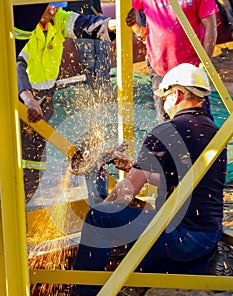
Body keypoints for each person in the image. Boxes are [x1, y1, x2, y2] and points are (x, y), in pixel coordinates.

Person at [72, 63, 227, 296]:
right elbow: (189, 180)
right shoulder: (216, 132)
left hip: (179, 240)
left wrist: (107, 208)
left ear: (176, 95)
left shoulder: (166, 130)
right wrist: (136, 167)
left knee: (98, 217)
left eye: (165, 97)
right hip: (207, 238)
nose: (164, 104)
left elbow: (125, 192)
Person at [17, 2, 116, 203]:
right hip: (20, 99)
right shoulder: (24, 24)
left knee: (34, 163)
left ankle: (20, 207)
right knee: (19, 159)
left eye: (56, 6)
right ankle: (12, 213)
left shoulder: (58, 18)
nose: (52, 10)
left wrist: (114, 24)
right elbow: (17, 63)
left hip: (43, 100)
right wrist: (27, 98)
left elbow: (85, 23)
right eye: (48, 6)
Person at [126, 0, 219, 123]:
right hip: (160, 68)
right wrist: (138, 30)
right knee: (165, 119)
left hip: (191, 71)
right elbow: (127, 12)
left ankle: (207, 141)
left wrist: (205, 64)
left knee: (199, 117)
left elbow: (210, 27)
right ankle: (170, 141)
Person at [65, 0, 112, 89]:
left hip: (94, 19)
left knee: (103, 56)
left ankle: (104, 89)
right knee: (89, 61)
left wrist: (99, 12)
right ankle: (95, 91)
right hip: (79, 25)